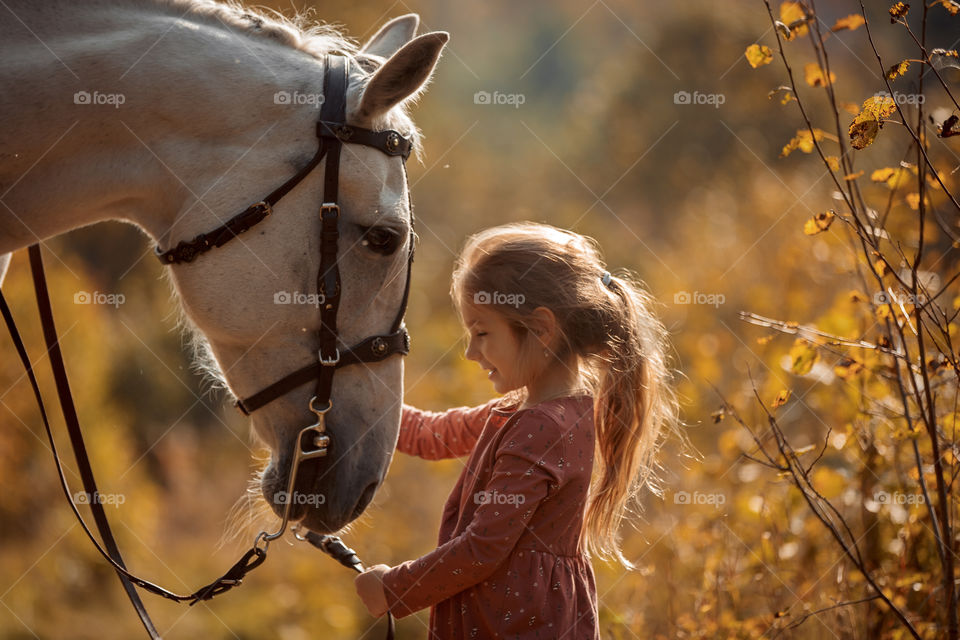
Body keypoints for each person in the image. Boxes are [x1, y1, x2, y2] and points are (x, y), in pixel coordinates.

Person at [354, 221, 680, 639]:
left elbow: (482, 549)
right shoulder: (526, 410)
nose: (471, 352)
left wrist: (392, 589)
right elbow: (435, 435)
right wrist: (362, 409)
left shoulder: (542, 427)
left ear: (542, 328)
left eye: (482, 333)